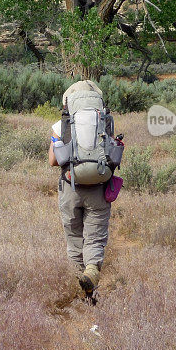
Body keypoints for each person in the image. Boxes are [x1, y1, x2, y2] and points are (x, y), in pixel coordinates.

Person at [48, 80, 111, 299]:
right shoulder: (105, 121)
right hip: (99, 189)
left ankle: (79, 291)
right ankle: (91, 271)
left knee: (74, 237)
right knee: (94, 239)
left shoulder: (62, 124)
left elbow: (53, 161)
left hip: (70, 187)